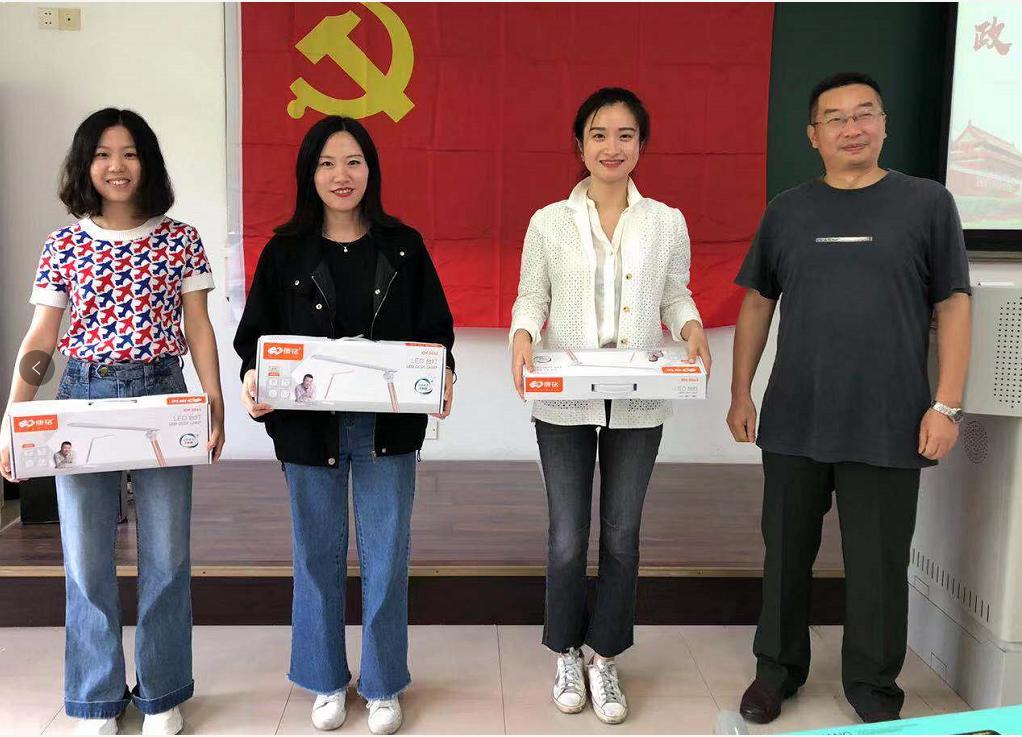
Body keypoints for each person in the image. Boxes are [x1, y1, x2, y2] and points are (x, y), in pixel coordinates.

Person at [727, 72, 971, 725]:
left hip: (890, 420)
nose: (851, 128)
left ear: (884, 125)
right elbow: (757, 303)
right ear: (814, 135)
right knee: (785, 555)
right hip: (794, 419)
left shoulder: (927, 203)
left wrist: (946, 404)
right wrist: (740, 392)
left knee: (879, 563)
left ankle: (873, 686)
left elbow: (953, 304)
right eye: (835, 118)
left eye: (864, 114)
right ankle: (776, 671)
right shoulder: (787, 209)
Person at [0, 108, 226, 736]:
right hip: (83, 398)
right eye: (102, 154)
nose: (117, 166)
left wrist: (213, 400)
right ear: (85, 164)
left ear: (147, 163)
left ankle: (162, 693)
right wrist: (14, 414)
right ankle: (96, 698)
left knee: (167, 556)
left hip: (164, 398)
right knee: (85, 558)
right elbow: (42, 337)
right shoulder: (63, 244)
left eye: (129, 153)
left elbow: (198, 326)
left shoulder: (180, 239)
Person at [234, 116, 455, 735]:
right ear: (309, 174)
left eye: (353, 161)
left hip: (388, 427)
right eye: (327, 163)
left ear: (371, 170)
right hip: (309, 430)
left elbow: (436, 331)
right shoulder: (285, 251)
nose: (341, 175)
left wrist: (443, 375)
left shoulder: (402, 245)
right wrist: (253, 378)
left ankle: (383, 684)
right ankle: (326, 679)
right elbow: (255, 337)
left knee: (386, 557)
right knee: (316, 556)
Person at [509, 87, 711, 725]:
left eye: (625, 135)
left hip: (638, 401)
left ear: (641, 145)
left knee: (622, 534)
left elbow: (675, 293)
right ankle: (566, 650)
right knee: (568, 538)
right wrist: (521, 336)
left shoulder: (666, 221)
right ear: (580, 144)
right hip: (564, 400)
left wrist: (692, 326)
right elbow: (531, 297)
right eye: (599, 134)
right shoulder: (548, 222)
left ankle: (605, 654)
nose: (612, 147)